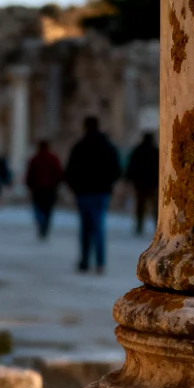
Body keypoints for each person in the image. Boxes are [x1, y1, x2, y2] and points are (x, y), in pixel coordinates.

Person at [65, 117, 122, 273]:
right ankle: (100, 262)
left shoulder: (79, 147)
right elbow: (117, 169)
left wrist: (75, 188)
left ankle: (84, 260)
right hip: (101, 192)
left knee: (85, 228)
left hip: (84, 192)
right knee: (99, 227)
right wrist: (108, 184)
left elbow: (69, 171)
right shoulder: (107, 146)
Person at [24, 140, 64, 240]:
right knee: (48, 211)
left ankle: (41, 224)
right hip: (50, 189)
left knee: (38, 209)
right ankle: (45, 226)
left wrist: (30, 185)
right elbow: (59, 173)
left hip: (38, 189)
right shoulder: (53, 158)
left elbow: (30, 174)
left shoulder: (35, 159)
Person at [126, 131, 159, 236]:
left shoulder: (138, 151)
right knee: (154, 207)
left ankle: (139, 226)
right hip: (152, 184)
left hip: (140, 184)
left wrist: (129, 178)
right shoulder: (155, 151)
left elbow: (132, 166)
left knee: (140, 206)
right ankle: (157, 226)